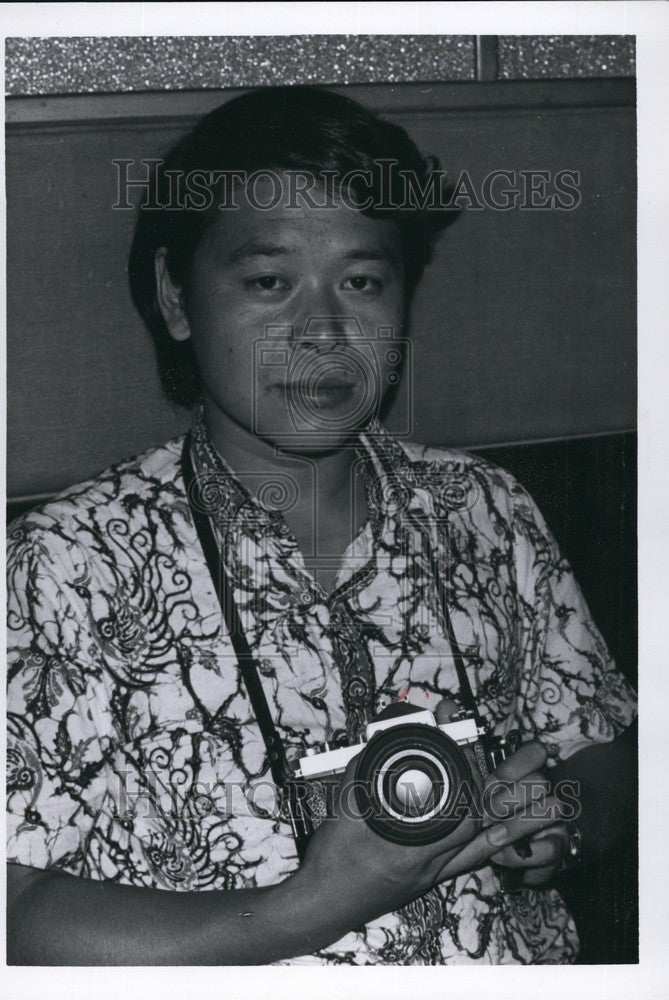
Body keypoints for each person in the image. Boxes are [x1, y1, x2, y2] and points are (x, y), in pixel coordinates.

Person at [6, 86, 637, 966]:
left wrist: (559, 821)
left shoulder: (486, 509)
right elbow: (17, 910)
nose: (325, 331)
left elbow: (601, 750)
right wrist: (310, 908)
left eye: (362, 281)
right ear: (176, 298)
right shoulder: (64, 565)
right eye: (268, 283)